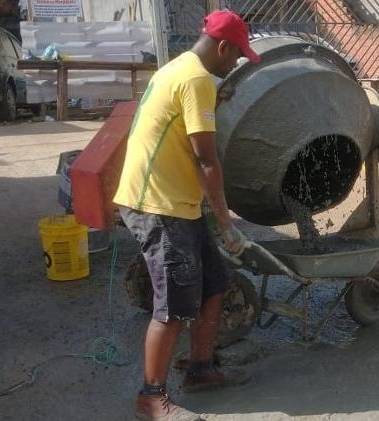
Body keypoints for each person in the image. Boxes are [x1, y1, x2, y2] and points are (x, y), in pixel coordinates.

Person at [113, 10, 261, 421]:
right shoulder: (196, 80)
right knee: (174, 304)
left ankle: (199, 369)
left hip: (178, 201)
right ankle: (151, 396)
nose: (235, 64)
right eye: (237, 56)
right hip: (158, 205)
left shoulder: (177, 66)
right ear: (223, 47)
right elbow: (206, 159)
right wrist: (227, 223)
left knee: (215, 284)